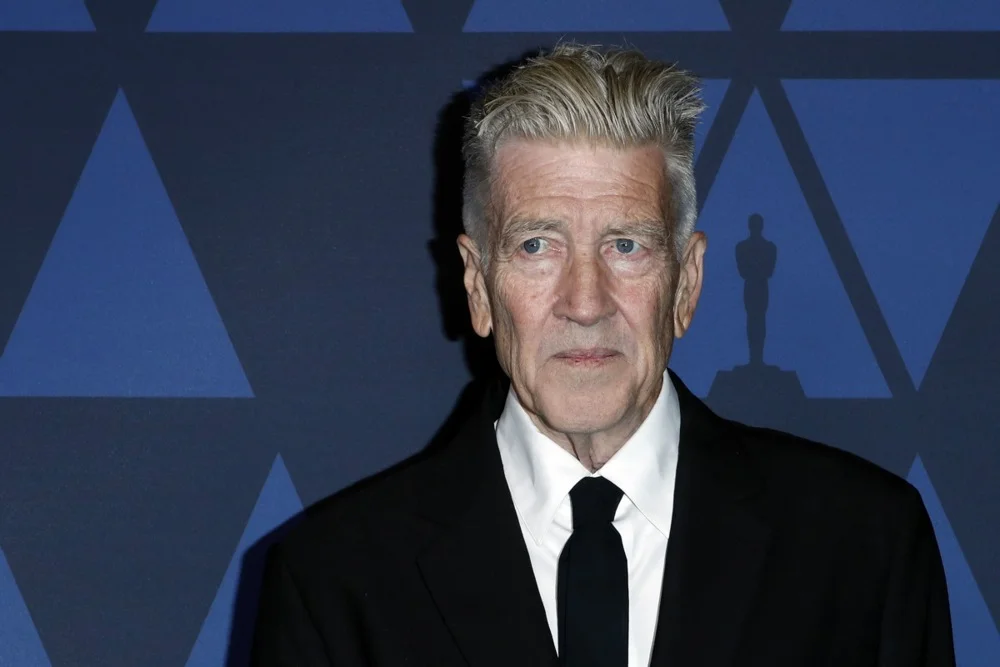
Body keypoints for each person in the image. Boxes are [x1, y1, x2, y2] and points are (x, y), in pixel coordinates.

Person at [250, 43, 955, 667]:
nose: (585, 302)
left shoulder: (865, 546)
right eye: (537, 245)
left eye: (626, 244)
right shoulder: (333, 581)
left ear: (686, 283)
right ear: (478, 286)